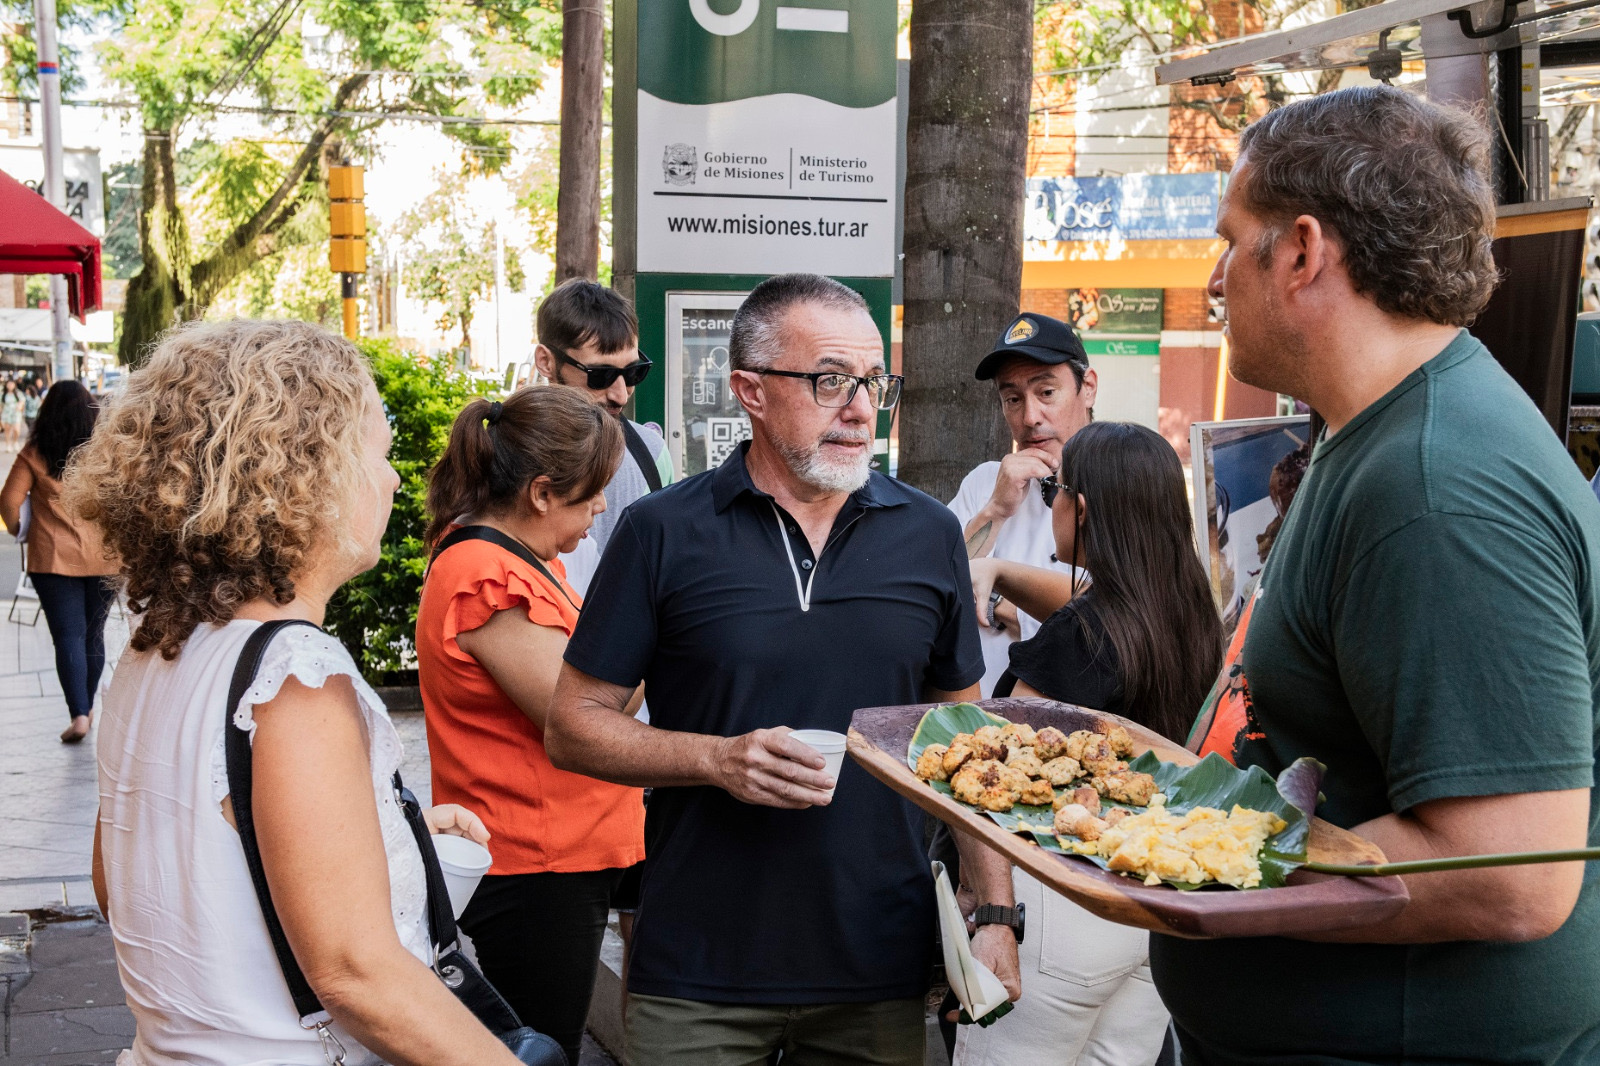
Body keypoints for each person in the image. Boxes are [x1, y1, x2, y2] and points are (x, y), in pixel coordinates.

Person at [1158, 86, 1600, 1061]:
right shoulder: (1375, 433)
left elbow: (1512, 872)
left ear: (1303, 252)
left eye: (1229, 241)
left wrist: (1183, 859)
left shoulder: (1437, 488)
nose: (1215, 279)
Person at [545, 273, 1002, 1066]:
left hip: (876, 965)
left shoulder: (929, 534)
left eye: (873, 383)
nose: (858, 408)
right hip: (697, 973)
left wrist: (995, 914)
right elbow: (572, 727)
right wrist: (715, 759)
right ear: (749, 391)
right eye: (830, 380)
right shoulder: (662, 531)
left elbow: (971, 744)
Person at [62, 319, 524, 1066]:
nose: (394, 479)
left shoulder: (156, 648)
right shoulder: (294, 675)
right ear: (309, 473)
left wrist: (380, 833)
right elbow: (358, 976)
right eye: (378, 453)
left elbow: (132, 883)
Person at [957, 422, 1224, 1066]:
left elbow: (995, 777)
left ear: (1081, 509)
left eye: (1056, 493)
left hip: (1060, 905)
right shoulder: (1193, 615)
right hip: (1151, 908)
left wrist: (988, 907)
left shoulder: (1082, 634)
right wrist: (1000, 570)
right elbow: (1090, 599)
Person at [416, 385, 643, 1066]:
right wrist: (660, 636)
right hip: (536, 860)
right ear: (542, 493)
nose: (601, 507)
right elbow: (581, 715)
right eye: (591, 494)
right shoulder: (485, 574)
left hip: (565, 848)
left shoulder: (519, 558)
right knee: (544, 1050)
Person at [948, 312, 1096, 695]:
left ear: (1088, 388)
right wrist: (995, 510)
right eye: (1013, 399)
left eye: (1046, 393)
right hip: (975, 713)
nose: (1030, 417)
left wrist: (995, 599)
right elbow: (937, 591)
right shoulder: (984, 482)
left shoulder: (1123, 483)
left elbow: (1116, 619)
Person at [533, 278, 674, 596]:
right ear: (546, 361)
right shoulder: (507, 452)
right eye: (601, 375)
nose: (621, 394)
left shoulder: (652, 451)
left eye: (634, 372)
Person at [0, 380, 120, 743]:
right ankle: (88, 708)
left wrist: (20, 528)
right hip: (105, 558)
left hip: (52, 560)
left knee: (68, 636)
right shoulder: (108, 451)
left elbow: (8, 501)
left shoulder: (36, 453)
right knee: (93, 635)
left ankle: (79, 714)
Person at [1, 378, 23, 451]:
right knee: (7, 430)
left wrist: (19, 406)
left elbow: (22, 401)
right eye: (9, 384)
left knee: (17, 430)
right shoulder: (3, 394)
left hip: (16, 413)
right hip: (6, 414)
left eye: (11, 384)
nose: (10, 385)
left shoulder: (18, 393)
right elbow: (1, 405)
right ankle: (8, 445)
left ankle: (15, 442)